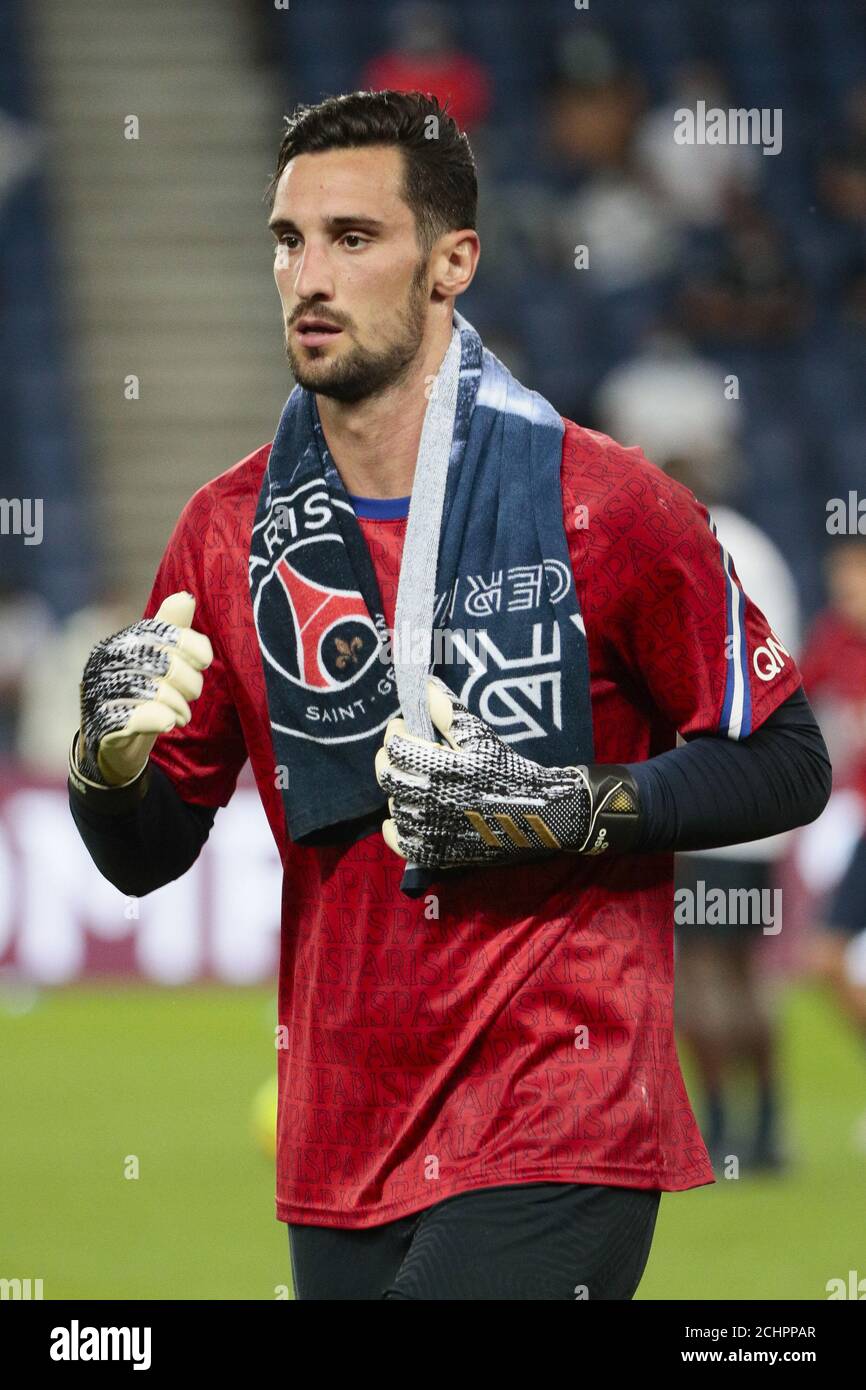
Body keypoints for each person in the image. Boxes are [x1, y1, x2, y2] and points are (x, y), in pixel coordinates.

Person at [68, 90, 831, 1301]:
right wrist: (104, 759)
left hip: (559, 1107)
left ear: (450, 262)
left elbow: (786, 758)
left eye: (353, 237)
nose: (308, 274)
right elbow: (144, 853)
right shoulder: (225, 532)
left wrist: (567, 808)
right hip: (343, 1131)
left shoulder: (609, 503)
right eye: (288, 240)